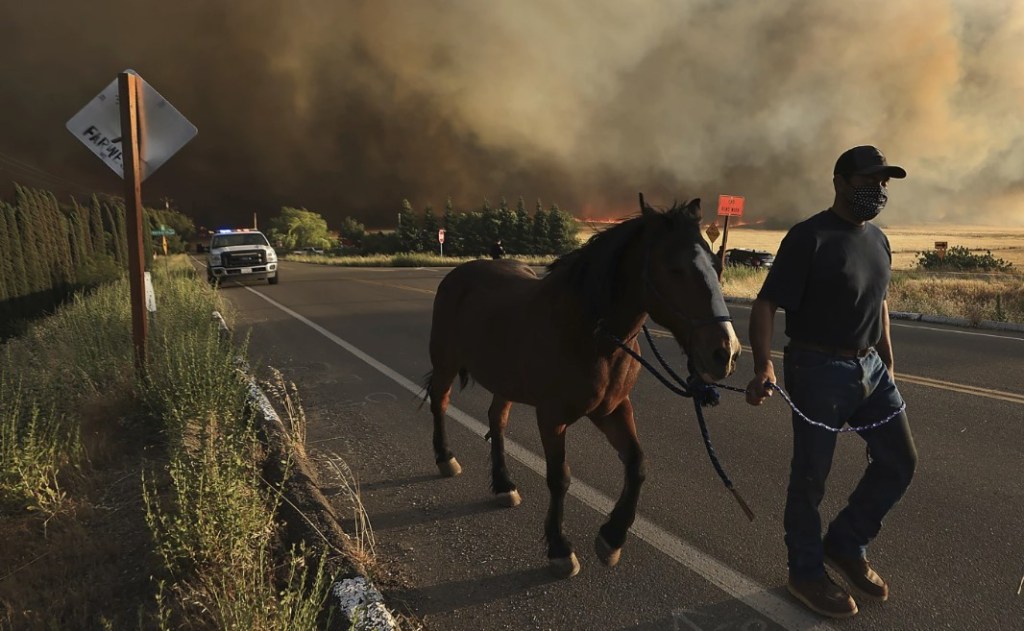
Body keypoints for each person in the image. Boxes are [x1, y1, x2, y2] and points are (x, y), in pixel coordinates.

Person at [744, 145, 918, 619]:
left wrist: (887, 361)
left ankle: (845, 543)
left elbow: (878, 301)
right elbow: (765, 304)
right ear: (840, 181)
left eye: (885, 182)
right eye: (870, 180)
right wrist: (764, 366)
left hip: (870, 370)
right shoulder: (809, 236)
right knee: (810, 478)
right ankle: (805, 572)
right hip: (817, 370)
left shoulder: (879, 240)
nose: (879, 190)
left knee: (899, 460)